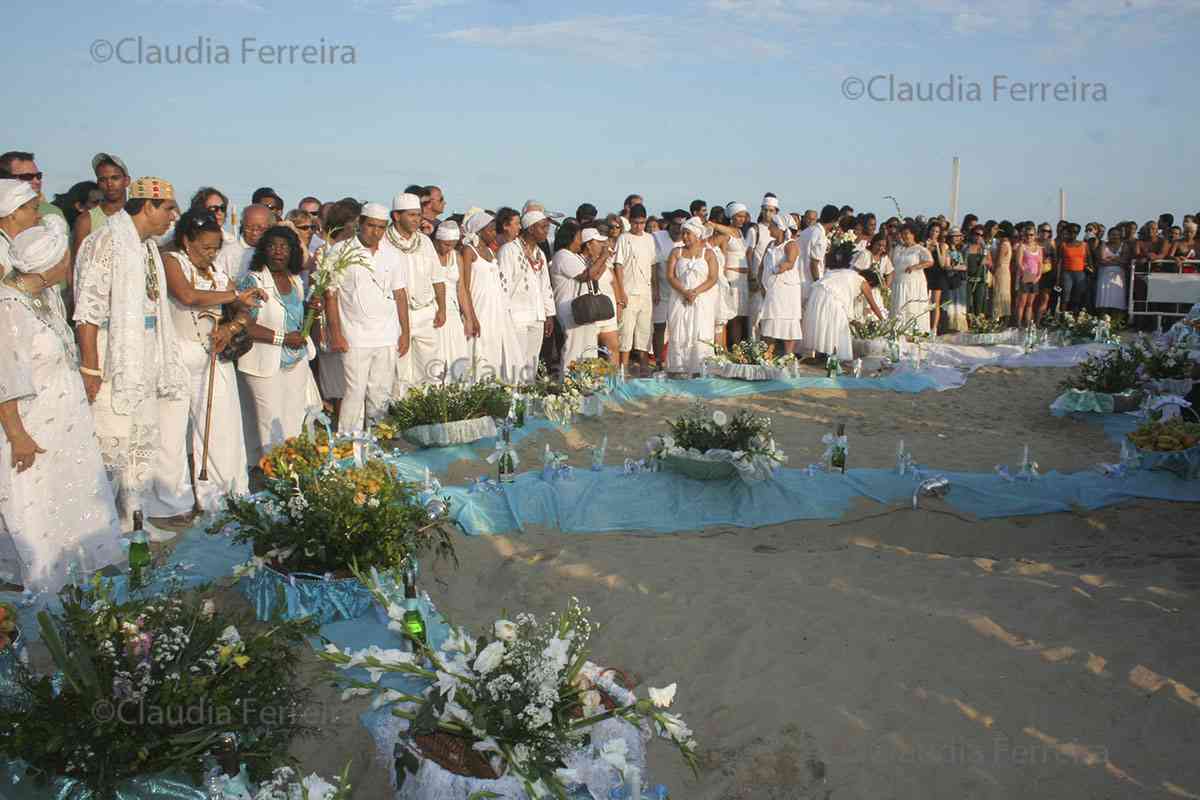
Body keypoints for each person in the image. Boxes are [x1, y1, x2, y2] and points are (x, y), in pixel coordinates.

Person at [0, 190, 124, 594]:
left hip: (64, 414)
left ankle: (79, 561)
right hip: (30, 423)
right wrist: (17, 434)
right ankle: (44, 571)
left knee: (71, 489)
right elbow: (5, 376)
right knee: (35, 498)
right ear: (49, 263)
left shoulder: (46, 297)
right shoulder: (9, 306)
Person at [73, 176, 189, 539]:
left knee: (140, 439)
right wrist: (90, 368)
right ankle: (100, 533)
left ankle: (134, 519)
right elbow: (87, 312)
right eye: (168, 207)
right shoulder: (104, 242)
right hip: (113, 357)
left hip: (147, 352)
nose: (174, 215)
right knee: (112, 442)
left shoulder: (148, 247)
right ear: (148, 205)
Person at [164, 211, 264, 508]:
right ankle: (173, 501)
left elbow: (246, 310)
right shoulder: (172, 261)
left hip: (215, 353)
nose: (211, 254)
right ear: (186, 241)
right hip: (179, 353)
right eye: (205, 247)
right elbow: (187, 296)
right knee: (172, 432)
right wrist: (233, 296)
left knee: (223, 426)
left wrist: (231, 327)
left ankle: (222, 494)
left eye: (215, 248)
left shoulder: (218, 272)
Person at [321, 205, 408, 434]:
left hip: (387, 334)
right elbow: (330, 294)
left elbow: (400, 294)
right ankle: (347, 442)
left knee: (380, 392)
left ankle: (376, 440)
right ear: (360, 223)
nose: (375, 232)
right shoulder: (341, 250)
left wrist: (405, 332)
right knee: (354, 392)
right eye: (371, 225)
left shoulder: (392, 254)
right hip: (354, 336)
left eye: (381, 227)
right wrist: (335, 333)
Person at [384, 193, 445, 391]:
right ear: (396, 216)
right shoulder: (383, 241)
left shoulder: (425, 242)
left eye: (418, 215)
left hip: (426, 312)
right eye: (411, 215)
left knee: (430, 367)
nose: (417, 220)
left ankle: (429, 411)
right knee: (400, 369)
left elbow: (437, 278)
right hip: (396, 314)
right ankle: (401, 415)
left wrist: (442, 308)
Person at [461, 211, 521, 383]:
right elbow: (465, 286)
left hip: (495, 309)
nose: (495, 234)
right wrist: (471, 316)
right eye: (491, 230)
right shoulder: (469, 251)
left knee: (494, 348)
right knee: (479, 349)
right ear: (480, 231)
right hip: (479, 307)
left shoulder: (490, 252)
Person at [498, 210, 555, 383]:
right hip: (516, 316)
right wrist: (504, 317)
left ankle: (527, 400)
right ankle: (512, 401)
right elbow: (503, 287)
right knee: (515, 361)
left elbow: (546, 286)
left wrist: (549, 314)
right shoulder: (509, 250)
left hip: (536, 316)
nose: (547, 231)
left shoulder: (540, 254)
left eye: (547, 227)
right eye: (543, 227)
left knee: (531, 362)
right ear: (530, 228)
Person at [803, 255, 886, 362]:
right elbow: (873, 305)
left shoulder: (847, 273)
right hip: (830, 296)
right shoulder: (863, 282)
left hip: (818, 293)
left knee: (823, 324)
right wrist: (883, 321)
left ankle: (822, 354)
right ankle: (831, 356)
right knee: (838, 325)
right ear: (870, 282)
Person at [551, 223, 609, 372]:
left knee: (588, 348)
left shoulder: (575, 257)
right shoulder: (562, 255)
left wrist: (604, 258)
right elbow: (585, 276)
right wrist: (603, 256)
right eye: (578, 238)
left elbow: (595, 275)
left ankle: (585, 382)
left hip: (582, 308)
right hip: (569, 307)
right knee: (574, 348)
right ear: (570, 238)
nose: (580, 242)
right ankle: (569, 385)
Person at [665, 217, 720, 375]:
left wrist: (695, 292)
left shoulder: (708, 253)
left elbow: (713, 278)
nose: (685, 237)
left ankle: (700, 368)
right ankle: (679, 368)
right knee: (680, 331)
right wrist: (685, 291)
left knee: (700, 331)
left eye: (688, 233)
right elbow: (670, 276)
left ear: (697, 235)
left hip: (702, 299)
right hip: (680, 297)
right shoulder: (676, 252)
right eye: (683, 233)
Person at [613, 203, 657, 375]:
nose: (639, 226)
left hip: (646, 291)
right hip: (629, 291)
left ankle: (644, 367)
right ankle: (623, 369)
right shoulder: (624, 238)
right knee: (626, 330)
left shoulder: (649, 238)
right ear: (630, 221)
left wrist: (656, 288)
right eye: (636, 223)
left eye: (642, 223)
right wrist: (621, 291)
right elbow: (618, 265)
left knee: (645, 330)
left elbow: (653, 264)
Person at [432, 221, 472, 381]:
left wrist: (468, 318)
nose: (448, 248)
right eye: (446, 244)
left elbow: (461, 288)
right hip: (435, 311)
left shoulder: (456, 256)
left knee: (457, 355)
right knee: (437, 357)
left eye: (453, 244)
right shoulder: (429, 255)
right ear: (437, 240)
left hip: (454, 313)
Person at [759, 214, 804, 355]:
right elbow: (761, 266)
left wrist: (775, 270)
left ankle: (788, 356)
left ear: (780, 228)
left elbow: (789, 263)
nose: (769, 228)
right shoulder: (770, 244)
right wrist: (761, 283)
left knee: (787, 321)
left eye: (772, 225)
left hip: (786, 290)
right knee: (770, 320)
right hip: (772, 289)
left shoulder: (791, 244)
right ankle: (767, 354)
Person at [72, 153, 130, 257]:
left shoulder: (139, 215)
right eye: (103, 180)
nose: (109, 184)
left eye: (115, 178)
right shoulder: (86, 221)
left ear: (127, 181)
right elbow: (77, 265)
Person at [890, 224, 934, 335]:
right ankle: (899, 330)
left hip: (914, 283)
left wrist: (915, 267)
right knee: (899, 306)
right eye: (903, 234)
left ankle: (915, 331)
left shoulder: (919, 249)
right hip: (899, 282)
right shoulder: (897, 248)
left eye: (907, 234)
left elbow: (930, 261)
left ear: (913, 234)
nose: (904, 236)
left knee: (912, 307)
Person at [213, 204, 272, 281]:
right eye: (249, 227)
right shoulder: (227, 253)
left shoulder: (275, 252)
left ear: (270, 226)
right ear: (242, 223)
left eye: (260, 228)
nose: (254, 232)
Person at [852, 233, 894, 322]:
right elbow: (856, 272)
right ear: (873, 243)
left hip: (876, 292)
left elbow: (890, 272)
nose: (880, 248)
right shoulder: (865, 254)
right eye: (878, 245)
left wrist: (886, 286)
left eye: (883, 246)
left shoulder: (884, 258)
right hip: (862, 291)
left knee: (875, 316)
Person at [1012, 225, 1043, 328]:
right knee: (1022, 302)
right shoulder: (1022, 246)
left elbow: (1040, 263)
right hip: (1025, 276)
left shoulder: (1038, 248)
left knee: (1030, 303)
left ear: (1035, 235)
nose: (1029, 237)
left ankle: (1028, 323)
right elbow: (1018, 262)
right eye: (1027, 235)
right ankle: (1019, 323)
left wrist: (1038, 276)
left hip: (1035, 277)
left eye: (1031, 235)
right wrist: (1026, 274)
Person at [1094, 226, 1131, 312]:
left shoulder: (1124, 245)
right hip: (1104, 275)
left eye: (1117, 235)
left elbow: (1125, 260)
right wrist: (1117, 259)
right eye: (1113, 234)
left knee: (1117, 298)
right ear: (1108, 235)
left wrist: (1110, 258)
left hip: (1119, 276)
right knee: (1104, 297)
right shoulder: (1103, 244)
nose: (1115, 236)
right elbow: (1102, 259)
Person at [1057, 223, 1089, 312]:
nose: (1073, 234)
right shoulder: (1063, 245)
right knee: (1065, 296)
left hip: (1080, 273)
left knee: (1077, 297)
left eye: (1075, 232)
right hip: (1067, 273)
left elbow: (1089, 261)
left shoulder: (1084, 245)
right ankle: (1063, 317)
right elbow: (1059, 262)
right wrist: (1058, 278)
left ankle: (1075, 319)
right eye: (1070, 231)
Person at [963, 226, 992, 316]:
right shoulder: (966, 247)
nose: (979, 236)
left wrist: (985, 261)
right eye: (977, 234)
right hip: (968, 279)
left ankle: (978, 322)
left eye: (981, 235)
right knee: (966, 303)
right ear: (972, 234)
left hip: (980, 279)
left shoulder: (984, 249)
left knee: (979, 303)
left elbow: (990, 262)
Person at [990, 223, 1014, 325]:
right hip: (1005, 271)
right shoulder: (1008, 243)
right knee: (1004, 295)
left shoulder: (1003, 244)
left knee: (999, 295)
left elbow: (998, 261)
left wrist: (992, 269)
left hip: (1000, 270)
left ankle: (997, 320)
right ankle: (1003, 321)